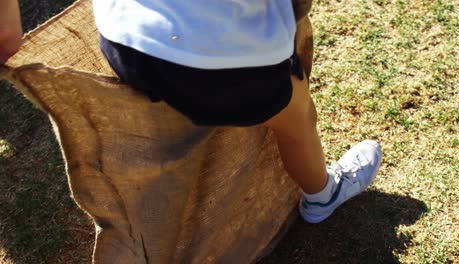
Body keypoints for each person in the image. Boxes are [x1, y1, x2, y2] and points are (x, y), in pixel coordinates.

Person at [0, 0, 381, 224]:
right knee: (299, 121)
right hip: (225, 62)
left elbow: (6, 35)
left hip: (124, 40)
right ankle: (321, 196)